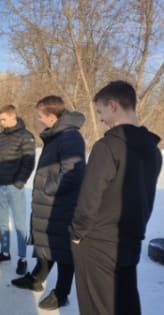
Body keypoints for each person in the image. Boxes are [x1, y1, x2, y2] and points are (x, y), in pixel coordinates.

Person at [70, 81, 162, 315]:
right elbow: (146, 198)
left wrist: (77, 232)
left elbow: (90, 197)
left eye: (100, 111)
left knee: (96, 305)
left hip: (98, 241)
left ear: (113, 106)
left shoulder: (108, 146)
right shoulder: (153, 150)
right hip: (130, 240)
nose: (100, 118)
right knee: (126, 301)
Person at [11, 96, 86, 311]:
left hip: (62, 205)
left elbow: (74, 173)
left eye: (41, 116)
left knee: (62, 250)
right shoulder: (58, 136)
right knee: (47, 244)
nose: (39, 119)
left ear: (52, 117)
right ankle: (36, 279)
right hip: (51, 204)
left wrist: (47, 189)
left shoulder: (70, 137)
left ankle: (62, 293)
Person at [0, 104, 36, 276]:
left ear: (12, 116)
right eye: (0, 119)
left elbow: (29, 162)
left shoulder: (26, 136)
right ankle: (5, 252)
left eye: (3, 119)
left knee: (20, 224)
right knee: (1, 222)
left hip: (15, 187)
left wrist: (19, 182)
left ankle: (22, 258)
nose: (1, 122)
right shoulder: (0, 137)